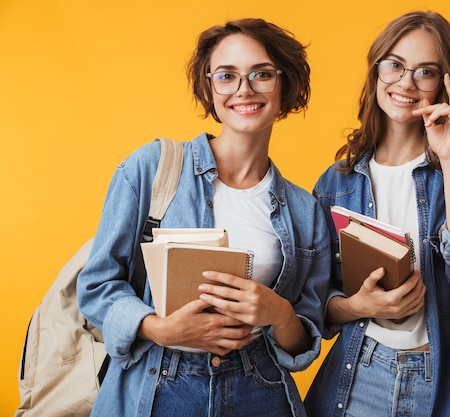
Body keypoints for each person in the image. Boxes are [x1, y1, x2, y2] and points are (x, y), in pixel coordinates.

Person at [77, 18, 330, 417]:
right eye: (227, 76)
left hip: (258, 388)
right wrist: (158, 329)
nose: (244, 89)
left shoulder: (305, 210)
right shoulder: (152, 168)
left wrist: (279, 313)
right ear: (209, 88)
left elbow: (303, 337)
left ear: (285, 84)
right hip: (158, 385)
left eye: (261, 74)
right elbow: (96, 285)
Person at [304, 10, 450, 417]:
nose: (406, 83)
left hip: (443, 383)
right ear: (376, 70)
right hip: (359, 373)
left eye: (426, 71)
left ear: (445, 84)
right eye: (395, 65)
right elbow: (315, 303)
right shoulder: (337, 183)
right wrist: (363, 306)